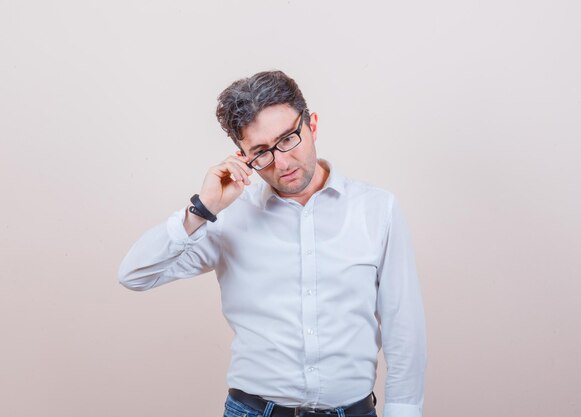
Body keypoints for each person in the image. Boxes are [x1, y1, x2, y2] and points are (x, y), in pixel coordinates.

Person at [118, 70, 427, 417]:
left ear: (311, 125)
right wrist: (202, 210)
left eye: (288, 139)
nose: (281, 162)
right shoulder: (228, 218)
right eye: (261, 152)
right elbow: (134, 275)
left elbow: (404, 328)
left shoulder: (377, 209)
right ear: (241, 156)